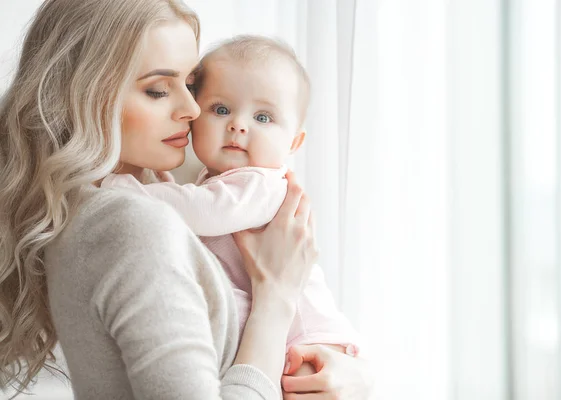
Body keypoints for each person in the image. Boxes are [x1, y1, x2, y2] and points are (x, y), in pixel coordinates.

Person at [0, 0, 372, 399]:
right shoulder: (134, 223)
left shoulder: (148, 191)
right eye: (158, 90)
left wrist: (358, 377)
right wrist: (276, 298)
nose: (193, 109)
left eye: (191, 85)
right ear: (82, 95)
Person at [101, 34, 361, 375]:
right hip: (276, 333)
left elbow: (202, 212)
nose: (238, 125)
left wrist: (128, 190)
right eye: (221, 109)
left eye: (263, 118)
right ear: (195, 118)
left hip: (308, 339)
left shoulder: (262, 183)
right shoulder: (211, 181)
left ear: (294, 142)